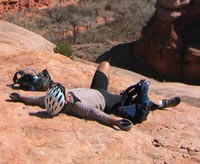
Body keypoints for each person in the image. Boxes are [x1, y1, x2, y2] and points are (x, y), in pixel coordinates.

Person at [8, 61, 181, 131]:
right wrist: (116, 122)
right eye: (64, 92)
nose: (65, 90)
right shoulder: (78, 107)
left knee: (104, 64)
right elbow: (97, 114)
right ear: (66, 100)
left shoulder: (50, 100)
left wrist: (21, 97)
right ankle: (159, 104)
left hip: (96, 89)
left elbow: (35, 100)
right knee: (136, 103)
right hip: (106, 101)